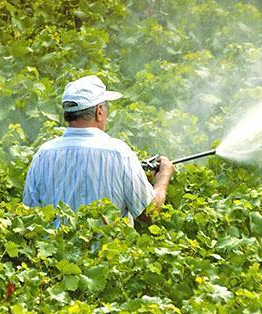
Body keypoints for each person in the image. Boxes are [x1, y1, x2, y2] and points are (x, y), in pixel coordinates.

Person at [23, 75, 174, 227]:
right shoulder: (119, 153)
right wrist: (163, 176)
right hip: (107, 250)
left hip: (56, 250)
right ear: (99, 111)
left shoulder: (43, 154)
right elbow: (150, 215)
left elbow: (29, 215)